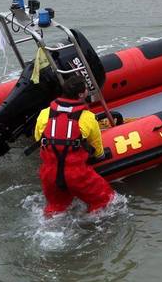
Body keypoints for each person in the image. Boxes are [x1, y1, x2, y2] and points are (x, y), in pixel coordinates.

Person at [34, 76, 114, 217]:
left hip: (49, 174)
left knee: (55, 209)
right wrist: (99, 156)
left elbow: (38, 138)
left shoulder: (44, 114)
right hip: (76, 174)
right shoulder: (88, 117)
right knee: (105, 200)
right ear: (81, 94)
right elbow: (98, 149)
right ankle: (93, 226)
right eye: (86, 89)